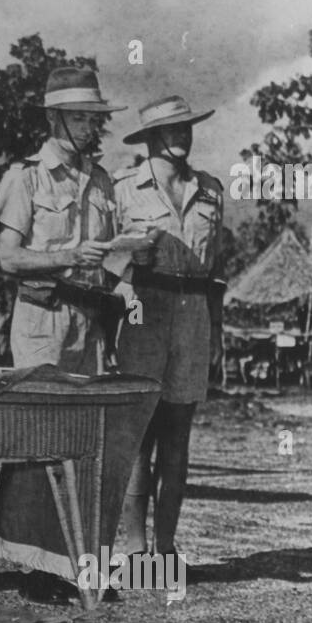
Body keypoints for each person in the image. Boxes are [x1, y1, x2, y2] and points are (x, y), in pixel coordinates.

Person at [0, 66, 127, 602]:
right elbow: (8, 257)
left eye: (96, 118)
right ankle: (36, 569)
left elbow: (112, 254)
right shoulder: (25, 177)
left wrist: (123, 282)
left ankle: (79, 562)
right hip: (42, 317)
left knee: (86, 440)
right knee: (42, 440)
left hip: (88, 321)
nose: (93, 127)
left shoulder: (103, 180)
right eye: (81, 118)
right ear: (55, 119)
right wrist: (70, 256)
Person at [107, 95, 225, 568]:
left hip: (193, 312)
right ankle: (137, 552)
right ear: (152, 137)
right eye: (172, 130)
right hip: (143, 311)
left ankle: (167, 548)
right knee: (139, 435)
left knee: (179, 437)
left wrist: (216, 331)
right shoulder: (123, 190)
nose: (182, 136)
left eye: (187, 128)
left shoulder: (211, 190)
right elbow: (105, 260)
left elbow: (216, 269)